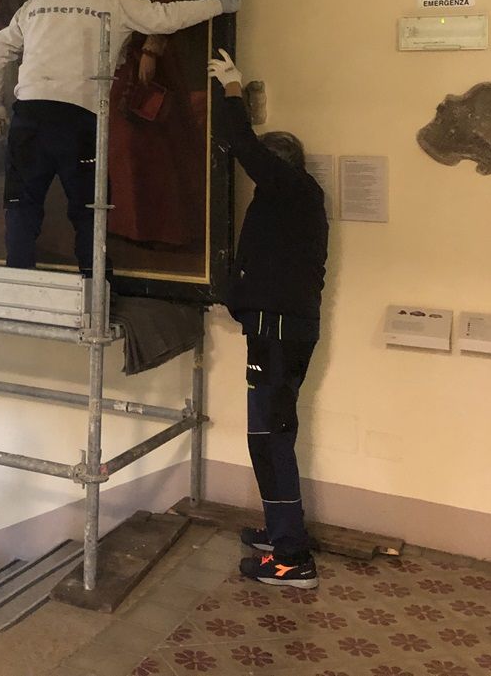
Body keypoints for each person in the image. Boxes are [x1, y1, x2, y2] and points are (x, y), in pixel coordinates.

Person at [0, 0, 241, 276]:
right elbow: (167, 17)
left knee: (20, 206)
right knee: (89, 212)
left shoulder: (35, 6)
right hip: (78, 119)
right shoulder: (111, 0)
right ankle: (94, 287)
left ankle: (17, 283)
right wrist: (220, 4)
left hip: (30, 116)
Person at [207, 48, 328, 590]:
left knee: (271, 437)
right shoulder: (288, 201)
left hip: (279, 332)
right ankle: (281, 530)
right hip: (274, 329)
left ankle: (292, 558)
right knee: (270, 434)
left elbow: (244, 146)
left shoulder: (291, 189)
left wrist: (232, 88)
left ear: (281, 166)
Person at [99, 0, 204, 249]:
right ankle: (125, 222)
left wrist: (152, 50)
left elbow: (165, 4)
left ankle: (158, 226)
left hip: (146, 54)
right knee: (121, 141)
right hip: (122, 50)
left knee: (147, 136)